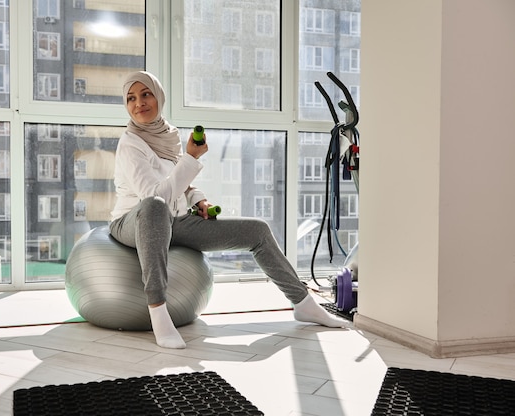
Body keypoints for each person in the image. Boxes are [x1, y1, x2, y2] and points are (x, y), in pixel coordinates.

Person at [109, 71, 348, 349]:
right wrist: (191, 158)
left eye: (146, 94)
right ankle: (159, 314)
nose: (139, 103)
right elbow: (154, 195)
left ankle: (303, 303)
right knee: (153, 207)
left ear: (158, 96)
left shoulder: (167, 136)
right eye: (131, 98)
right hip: (133, 221)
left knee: (256, 231)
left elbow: (179, 184)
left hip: (172, 221)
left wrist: (200, 201)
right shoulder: (130, 145)